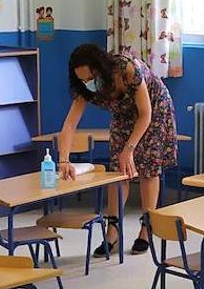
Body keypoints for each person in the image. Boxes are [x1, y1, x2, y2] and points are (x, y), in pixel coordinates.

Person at [57, 44, 178, 257]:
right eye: (83, 80)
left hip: (153, 108)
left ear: (101, 68)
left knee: (148, 168)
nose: (88, 83)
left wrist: (129, 149)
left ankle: (146, 228)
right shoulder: (85, 88)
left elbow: (145, 114)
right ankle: (112, 231)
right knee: (117, 171)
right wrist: (64, 160)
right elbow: (69, 125)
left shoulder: (125, 69)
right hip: (123, 116)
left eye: (91, 77)